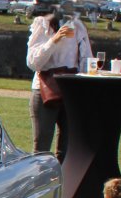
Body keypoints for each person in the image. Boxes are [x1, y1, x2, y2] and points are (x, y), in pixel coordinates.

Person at [26, 8, 92, 160]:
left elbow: (86, 61)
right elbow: (33, 62)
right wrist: (54, 40)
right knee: (42, 150)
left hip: (71, 90)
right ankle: (41, 182)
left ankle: (64, 183)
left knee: (67, 149)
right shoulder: (42, 24)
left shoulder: (78, 26)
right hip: (45, 90)